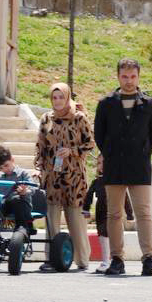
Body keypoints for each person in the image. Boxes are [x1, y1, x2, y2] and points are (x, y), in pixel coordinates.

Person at [93, 58, 152, 276]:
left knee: (144, 213)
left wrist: (141, 153)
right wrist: (111, 155)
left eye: (133, 76)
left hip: (140, 166)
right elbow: (99, 135)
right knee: (114, 214)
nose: (129, 81)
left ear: (138, 77)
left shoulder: (149, 105)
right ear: (118, 76)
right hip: (114, 166)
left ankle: (148, 259)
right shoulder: (106, 104)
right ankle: (116, 259)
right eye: (125, 76)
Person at [34, 83, 94, 272]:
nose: (58, 101)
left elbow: (90, 143)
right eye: (54, 97)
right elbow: (40, 145)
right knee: (51, 220)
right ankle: (52, 259)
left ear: (67, 97)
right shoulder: (46, 118)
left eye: (61, 97)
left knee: (75, 219)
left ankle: (82, 259)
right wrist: (39, 167)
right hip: (52, 176)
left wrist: (72, 151)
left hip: (74, 176)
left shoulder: (79, 118)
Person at [84, 154, 135, 274]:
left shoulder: (117, 182)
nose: (100, 166)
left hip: (114, 213)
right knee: (102, 236)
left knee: (114, 236)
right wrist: (86, 209)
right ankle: (105, 261)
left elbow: (125, 198)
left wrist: (130, 214)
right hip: (100, 213)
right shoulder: (96, 182)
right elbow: (89, 196)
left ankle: (117, 260)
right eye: (98, 163)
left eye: (103, 163)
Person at [0, 144, 38, 235]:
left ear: (12, 160)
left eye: (6, 165)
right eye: (1, 168)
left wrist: (25, 191)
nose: (4, 169)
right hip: (6, 205)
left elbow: (33, 187)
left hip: (23, 205)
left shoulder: (23, 173)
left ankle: (22, 228)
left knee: (16, 199)